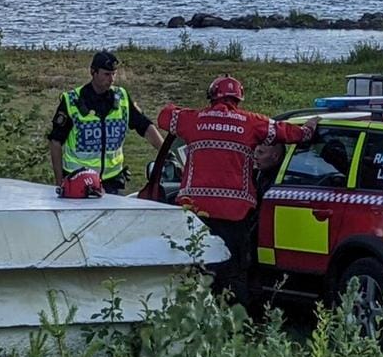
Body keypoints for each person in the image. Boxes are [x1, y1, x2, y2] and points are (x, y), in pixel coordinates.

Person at [153, 75, 318, 302]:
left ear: (211, 97)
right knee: (234, 272)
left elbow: (164, 116)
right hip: (235, 214)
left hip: (196, 213)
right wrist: (308, 131)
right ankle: (234, 323)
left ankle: (195, 316)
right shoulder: (250, 122)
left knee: (195, 268)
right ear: (238, 99)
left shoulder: (194, 120)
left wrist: (185, 110)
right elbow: (285, 132)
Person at [47, 50, 165, 195]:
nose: (111, 79)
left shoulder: (121, 98)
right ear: (93, 72)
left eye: (114, 74)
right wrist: (59, 183)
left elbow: (146, 127)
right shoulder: (72, 101)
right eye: (106, 74)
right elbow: (55, 142)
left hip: (112, 181)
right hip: (78, 180)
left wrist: (166, 153)